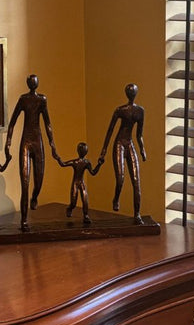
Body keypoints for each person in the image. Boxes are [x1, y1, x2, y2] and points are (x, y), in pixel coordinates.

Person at [4, 75, 59, 231]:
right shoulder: (23, 100)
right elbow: (12, 122)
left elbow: (47, 123)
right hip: (26, 142)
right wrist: (8, 142)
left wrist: (52, 144)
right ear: (28, 83)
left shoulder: (42, 100)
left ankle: (35, 196)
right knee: (25, 182)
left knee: (39, 179)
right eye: (31, 81)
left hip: (37, 141)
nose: (33, 83)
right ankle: (24, 220)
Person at [99, 83, 146, 224]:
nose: (131, 94)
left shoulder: (140, 111)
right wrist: (104, 150)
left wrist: (142, 149)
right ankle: (116, 199)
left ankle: (137, 214)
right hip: (119, 143)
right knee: (120, 178)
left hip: (129, 143)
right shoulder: (120, 110)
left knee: (136, 182)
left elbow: (139, 135)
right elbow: (110, 130)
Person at [58, 142, 102, 224]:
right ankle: (69, 208)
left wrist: (99, 165)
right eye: (81, 150)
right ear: (78, 151)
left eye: (85, 150)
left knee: (85, 200)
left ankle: (86, 215)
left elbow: (93, 172)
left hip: (81, 183)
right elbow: (63, 164)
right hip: (75, 183)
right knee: (73, 202)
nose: (83, 152)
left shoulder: (87, 162)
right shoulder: (75, 162)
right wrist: (57, 158)